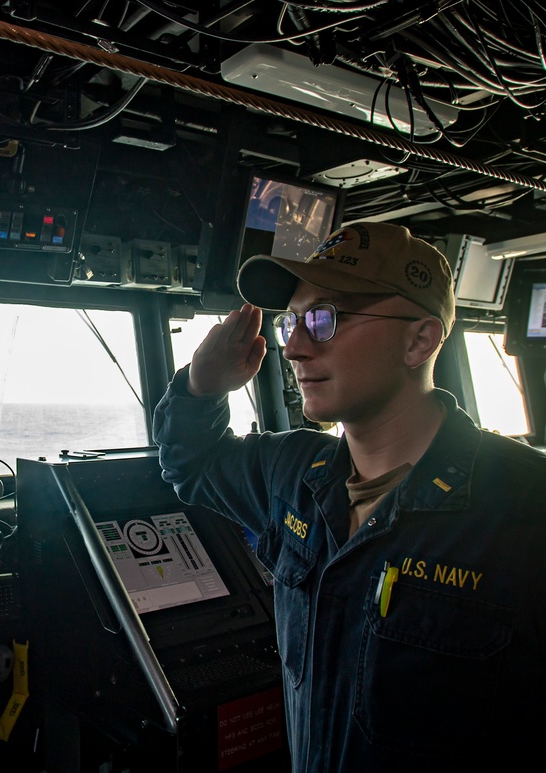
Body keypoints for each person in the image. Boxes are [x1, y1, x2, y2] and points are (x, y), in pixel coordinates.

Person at [154, 221, 546, 772]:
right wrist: (201, 386)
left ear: (419, 340)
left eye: (324, 318)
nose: (294, 348)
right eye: (292, 322)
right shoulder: (294, 473)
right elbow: (192, 462)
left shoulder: (526, 505)